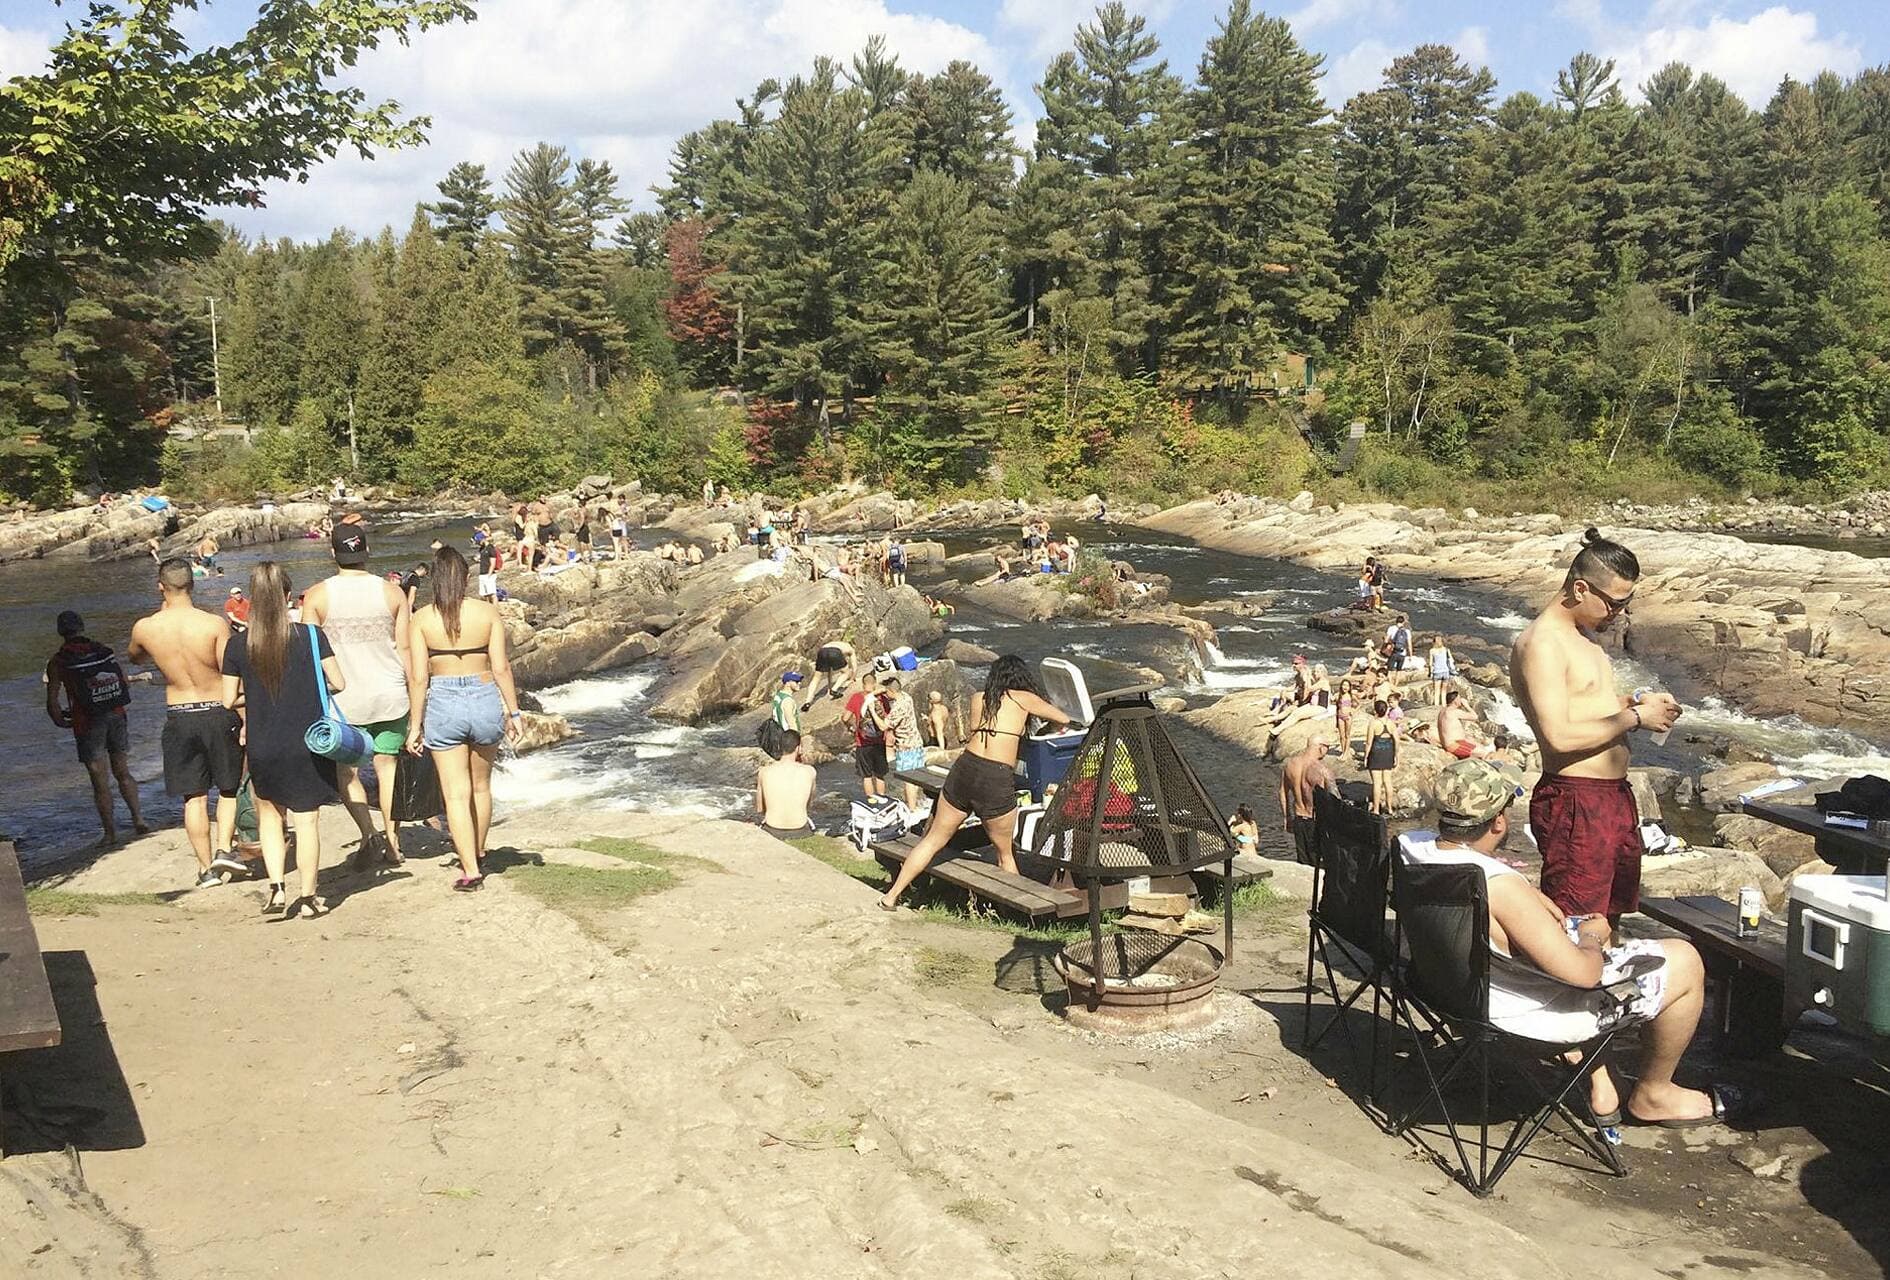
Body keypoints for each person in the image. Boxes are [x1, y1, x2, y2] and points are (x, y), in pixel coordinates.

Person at [1400, 759, 1752, 1128]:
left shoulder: (1413, 847)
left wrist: (1532, 902)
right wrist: (1591, 937)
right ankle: (1655, 1094)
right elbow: (1583, 975)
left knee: (1590, 956)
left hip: (1450, 989)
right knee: (1685, 960)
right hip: (1526, 1016)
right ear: (1499, 821)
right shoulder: (1501, 888)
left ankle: (1603, 1083)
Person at [1511, 527, 1680, 932]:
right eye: (1616, 603)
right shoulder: (1543, 644)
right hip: (1576, 801)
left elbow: (1586, 708)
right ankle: (1575, 992)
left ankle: (1604, 990)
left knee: (1610, 919)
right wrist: (1635, 719)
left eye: (1628, 602)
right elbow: (1558, 737)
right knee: (1577, 923)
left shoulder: (1582, 638)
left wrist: (1632, 703)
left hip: (1611, 800)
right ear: (1581, 588)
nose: (1620, 612)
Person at [879, 657, 1074, 909]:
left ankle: (891, 895)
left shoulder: (978, 698)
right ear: (1021, 678)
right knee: (1005, 853)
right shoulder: (1023, 698)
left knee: (933, 839)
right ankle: (1011, 911)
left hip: (965, 768)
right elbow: (1065, 719)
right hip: (994, 776)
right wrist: (1046, 726)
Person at [220, 562, 342, 918]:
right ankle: (308, 897)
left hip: (263, 743)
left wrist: (255, 698)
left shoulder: (239, 644)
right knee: (307, 822)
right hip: (307, 741)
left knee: (270, 817)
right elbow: (338, 682)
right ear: (289, 597)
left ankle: (276, 889)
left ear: (253, 601)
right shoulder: (311, 636)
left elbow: (229, 700)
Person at [405, 547, 523, 891]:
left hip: (443, 700)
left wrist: (415, 725)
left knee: (455, 794)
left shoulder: (422, 619)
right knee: (481, 786)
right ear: (467, 578)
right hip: (484, 695)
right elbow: (501, 666)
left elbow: (418, 678)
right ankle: (480, 848)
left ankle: (470, 868)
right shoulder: (487, 613)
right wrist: (514, 712)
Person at [300, 523, 413, 870]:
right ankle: (393, 840)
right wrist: (417, 694)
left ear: (333, 553)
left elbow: (308, 652)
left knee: (347, 773)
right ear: (367, 552)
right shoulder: (392, 593)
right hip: (390, 693)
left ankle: (368, 833)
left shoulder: (317, 596)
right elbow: (406, 649)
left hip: (343, 701)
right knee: (388, 768)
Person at [128, 560, 246, 887]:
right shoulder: (214, 624)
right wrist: (245, 716)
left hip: (180, 714)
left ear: (160, 586)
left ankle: (206, 868)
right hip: (217, 708)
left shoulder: (146, 627)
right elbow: (230, 672)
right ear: (192, 585)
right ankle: (224, 848)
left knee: (193, 796)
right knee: (228, 788)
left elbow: (135, 656)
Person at [46, 610, 148, 848]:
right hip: (116, 714)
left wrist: (59, 718)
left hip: (87, 722)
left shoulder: (58, 661)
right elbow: (121, 681)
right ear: (82, 627)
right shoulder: (103, 650)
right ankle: (139, 819)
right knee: (123, 772)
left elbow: (53, 699)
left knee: (99, 780)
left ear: (61, 632)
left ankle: (110, 834)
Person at [872, 676, 928, 810]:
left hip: (906, 746)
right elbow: (892, 688)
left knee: (909, 779)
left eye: (886, 692)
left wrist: (872, 711)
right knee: (916, 777)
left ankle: (912, 808)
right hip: (916, 742)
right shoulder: (907, 698)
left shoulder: (899, 707)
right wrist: (880, 691)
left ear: (891, 691)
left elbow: (884, 726)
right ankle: (917, 805)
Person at [1279, 735, 1336, 864]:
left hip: (1298, 818)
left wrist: (1287, 817)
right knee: (1318, 862)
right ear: (1321, 748)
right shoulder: (1322, 770)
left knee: (1302, 861)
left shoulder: (1290, 765)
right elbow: (1335, 800)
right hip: (1315, 821)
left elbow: (1283, 791)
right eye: (1328, 747)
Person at [755, 728, 816, 838]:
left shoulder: (764, 772)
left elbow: (760, 809)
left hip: (772, 828)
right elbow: (809, 804)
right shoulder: (810, 771)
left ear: (779, 747)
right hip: (800, 829)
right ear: (799, 748)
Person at [844, 673, 889, 801]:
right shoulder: (880, 698)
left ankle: (871, 802)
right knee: (880, 774)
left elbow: (845, 717)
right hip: (880, 741)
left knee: (867, 775)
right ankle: (882, 800)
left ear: (863, 684)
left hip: (863, 742)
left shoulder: (856, 697)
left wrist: (852, 728)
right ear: (874, 683)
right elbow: (887, 717)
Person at [1363, 698, 1398, 815]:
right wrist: (1396, 755)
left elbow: (1369, 742)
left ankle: (1376, 809)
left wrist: (1366, 757)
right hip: (1388, 753)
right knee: (1388, 782)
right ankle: (1390, 808)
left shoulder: (1373, 723)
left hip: (1376, 754)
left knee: (1377, 783)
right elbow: (1397, 741)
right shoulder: (1391, 723)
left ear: (1375, 711)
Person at [1436, 689, 1487, 760]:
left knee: (1480, 745)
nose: (1461, 700)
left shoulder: (1442, 711)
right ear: (1455, 701)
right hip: (1454, 745)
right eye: (1459, 698)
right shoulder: (1454, 712)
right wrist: (1466, 705)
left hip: (1453, 743)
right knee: (1483, 752)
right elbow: (1475, 717)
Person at [806, 640, 857, 707]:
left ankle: (807, 701)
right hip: (835, 652)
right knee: (847, 672)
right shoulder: (850, 649)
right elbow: (854, 667)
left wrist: (829, 687)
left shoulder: (834, 643)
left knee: (816, 677)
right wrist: (851, 679)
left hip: (822, 651)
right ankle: (834, 689)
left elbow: (829, 670)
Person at [1427, 635, 1456, 706]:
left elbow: (1430, 663)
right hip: (1446, 672)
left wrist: (1430, 672)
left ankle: (1436, 706)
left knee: (1437, 691)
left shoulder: (1432, 651)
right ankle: (1444, 705)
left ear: (1434, 642)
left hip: (1437, 672)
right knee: (1444, 691)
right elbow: (1451, 660)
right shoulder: (1446, 649)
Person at [474, 535, 498, 601]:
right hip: (482, 573)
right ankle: (488, 607)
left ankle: (495, 609)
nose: (478, 543)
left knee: (492, 594)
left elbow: (493, 563)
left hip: (489, 574)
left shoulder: (490, 548)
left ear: (483, 539)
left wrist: (489, 575)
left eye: (479, 541)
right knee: (484, 595)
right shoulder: (481, 548)